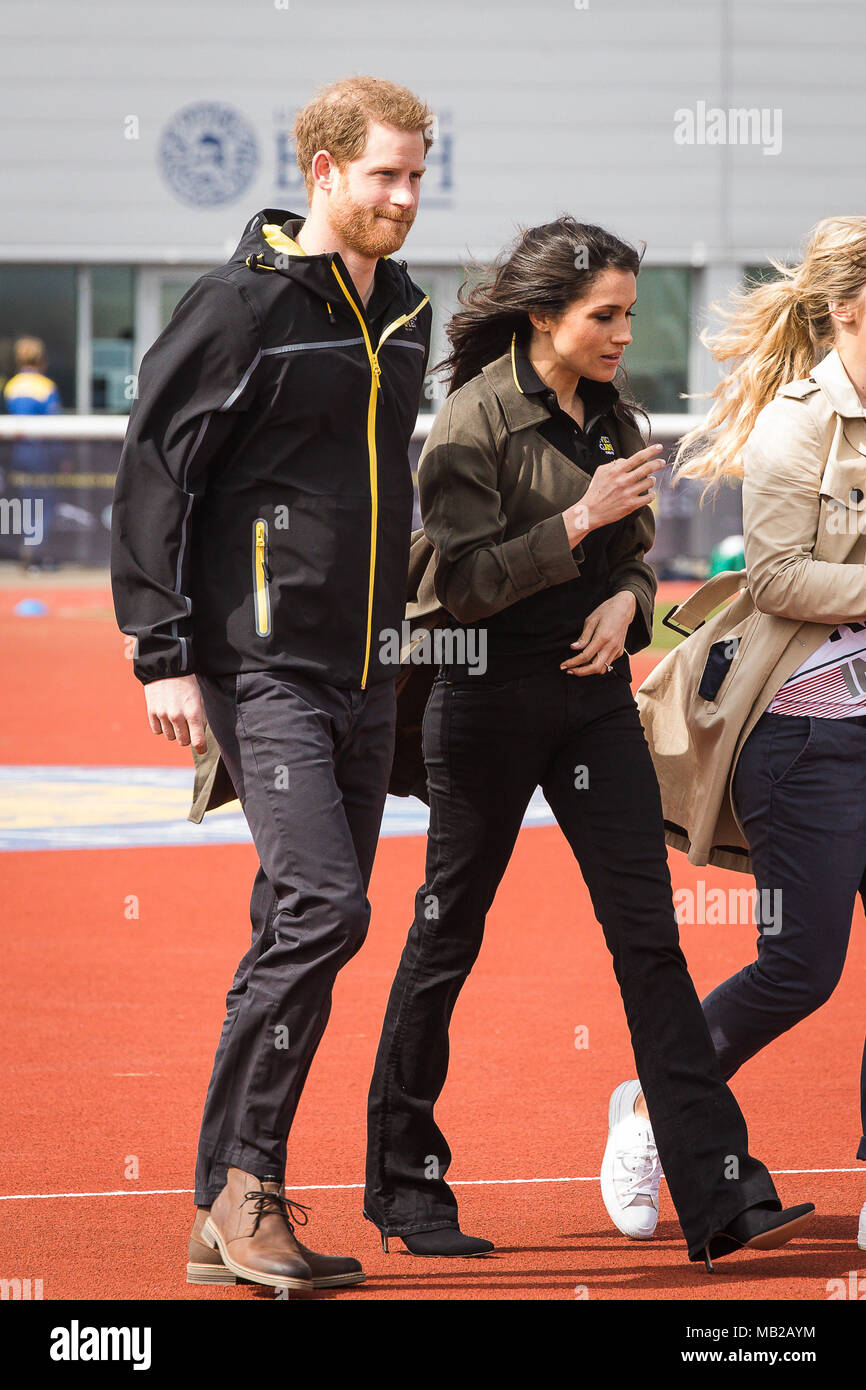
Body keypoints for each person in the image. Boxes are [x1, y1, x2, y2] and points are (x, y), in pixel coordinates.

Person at [362, 216, 814, 1270]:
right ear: (542, 317)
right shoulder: (470, 424)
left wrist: (623, 602)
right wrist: (573, 525)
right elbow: (458, 587)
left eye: (627, 314)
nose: (622, 333)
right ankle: (404, 1184)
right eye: (603, 315)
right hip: (480, 700)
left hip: (593, 696)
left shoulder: (612, 417)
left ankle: (716, 1193)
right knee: (445, 938)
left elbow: (636, 560)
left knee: (648, 942)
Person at [110, 75, 435, 1294]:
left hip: (367, 674)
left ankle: (223, 1207)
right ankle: (246, 1190)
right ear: (322, 172)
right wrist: (164, 647)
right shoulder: (241, 306)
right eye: (382, 175)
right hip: (260, 665)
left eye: (416, 175)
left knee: (293, 929)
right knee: (326, 910)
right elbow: (155, 472)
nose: (402, 196)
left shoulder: (400, 316)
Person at [604, 216, 866, 1253]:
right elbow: (771, 579)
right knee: (801, 967)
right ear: (848, 315)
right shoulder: (798, 423)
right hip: (800, 735)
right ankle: (647, 1109)